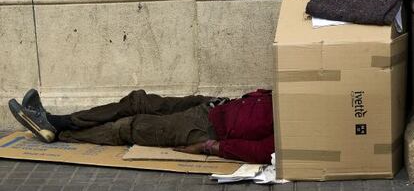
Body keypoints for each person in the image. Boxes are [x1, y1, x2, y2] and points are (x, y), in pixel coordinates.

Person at [8, 89, 274, 164]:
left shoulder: (306, 130)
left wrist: (213, 147)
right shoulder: (305, 97)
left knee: (132, 127)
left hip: (206, 128)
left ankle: (59, 131)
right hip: (215, 106)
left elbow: (264, 151)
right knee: (139, 100)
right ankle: (57, 121)